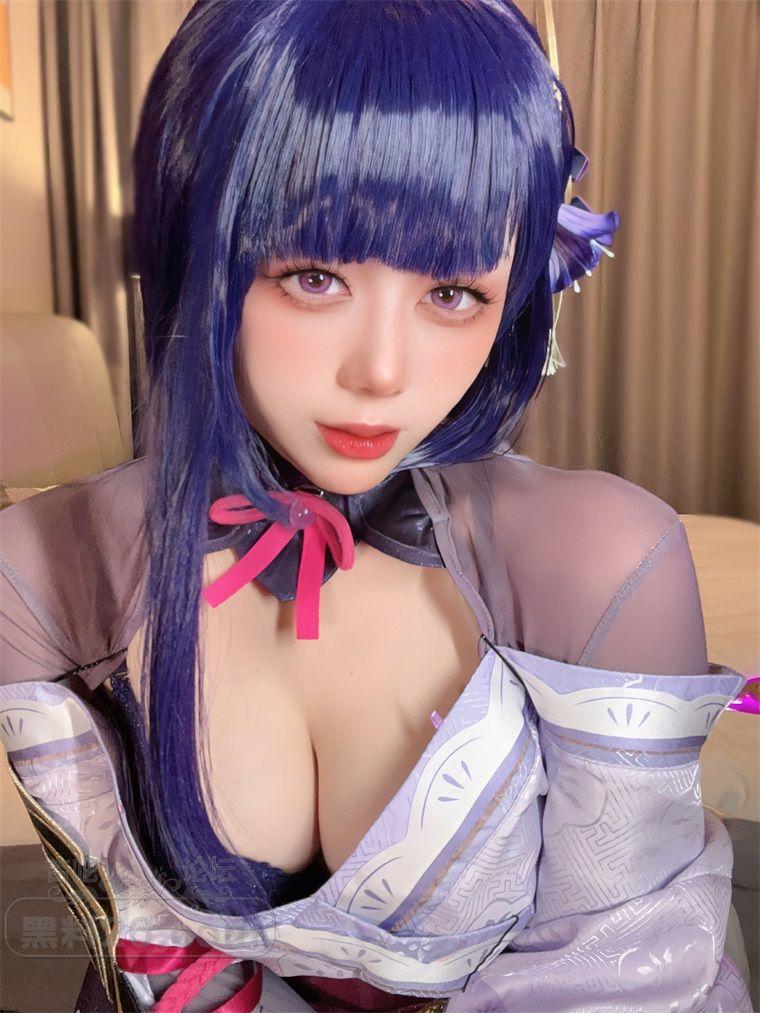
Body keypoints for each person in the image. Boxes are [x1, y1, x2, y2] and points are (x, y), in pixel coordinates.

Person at [0, 1, 752, 1010]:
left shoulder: (604, 558)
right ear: (197, 251)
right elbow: (139, 961)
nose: (383, 372)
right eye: (314, 277)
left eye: (452, 293)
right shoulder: (40, 566)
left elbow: (628, 977)